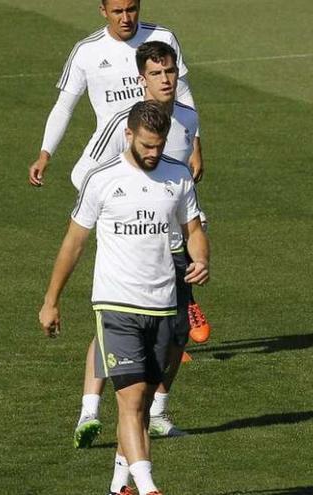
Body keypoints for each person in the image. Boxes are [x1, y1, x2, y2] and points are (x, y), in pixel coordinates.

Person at [38, 100, 209, 495]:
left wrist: (201, 257)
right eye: (147, 145)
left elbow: (194, 229)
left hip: (164, 303)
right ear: (129, 136)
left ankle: (119, 487)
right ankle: (149, 488)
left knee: (143, 405)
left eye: (160, 145)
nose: (153, 153)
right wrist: (51, 300)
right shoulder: (102, 178)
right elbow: (74, 243)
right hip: (116, 305)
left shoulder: (178, 175)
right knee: (130, 401)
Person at [71, 41, 205, 448]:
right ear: (141, 77)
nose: (166, 79)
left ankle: (159, 412)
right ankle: (88, 413)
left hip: (174, 247)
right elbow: (86, 174)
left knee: (177, 333)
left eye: (170, 72)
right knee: (113, 325)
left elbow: (183, 181)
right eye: (157, 73)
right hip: (128, 243)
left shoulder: (188, 118)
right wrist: (119, 211)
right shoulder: (123, 123)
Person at [27, 0, 200, 188]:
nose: (126, 18)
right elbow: (64, 107)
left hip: (161, 141)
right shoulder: (86, 51)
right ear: (103, 11)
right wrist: (45, 154)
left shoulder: (163, 37)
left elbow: (182, 93)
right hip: (112, 149)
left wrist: (194, 147)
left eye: (131, 10)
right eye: (118, 11)